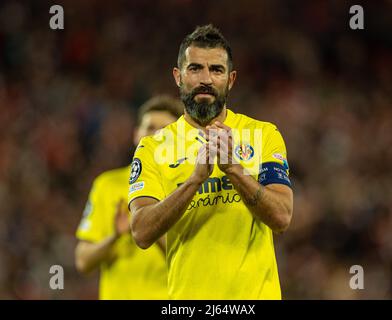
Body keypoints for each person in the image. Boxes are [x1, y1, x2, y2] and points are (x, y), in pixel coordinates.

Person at [128, 25, 293, 300]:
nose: (206, 79)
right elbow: (142, 232)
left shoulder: (263, 135)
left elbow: (282, 217)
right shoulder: (153, 146)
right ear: (178, 77)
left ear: (231, 79)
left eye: (216, 70)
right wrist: (194, 181)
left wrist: (235, 172)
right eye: (195, 69)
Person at [75, 95, 183, 299]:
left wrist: (146, 226)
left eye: (165, 131)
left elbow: (191, 264)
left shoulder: (188, 190)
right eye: (150, 128)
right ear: (136, 134)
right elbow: (83, 261)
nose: (155, 137)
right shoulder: (107, 185)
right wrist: (114, 237)